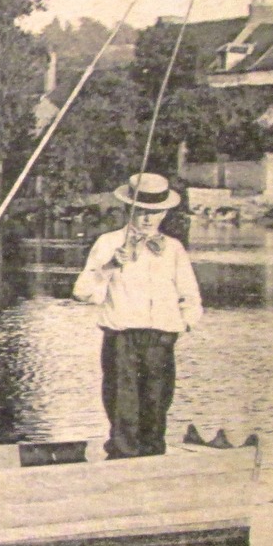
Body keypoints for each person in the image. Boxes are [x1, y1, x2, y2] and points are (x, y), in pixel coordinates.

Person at [72, 173, 203, 459]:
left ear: (165, 212)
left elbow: (190, 295)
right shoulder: (109, 243)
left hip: (160, 338)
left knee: (156, 405)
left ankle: (153, 463)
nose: (147, 219)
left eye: (154, 213)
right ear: (129, 209)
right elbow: (81, 291)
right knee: (123, 405)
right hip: (122, 337)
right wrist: (109, 266)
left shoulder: (173, 248)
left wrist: (182, 325)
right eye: (141, 212)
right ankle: (122, 461)